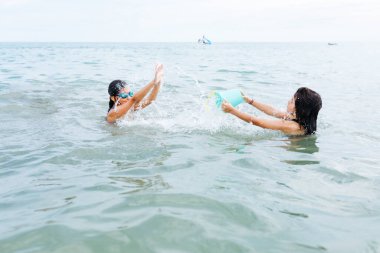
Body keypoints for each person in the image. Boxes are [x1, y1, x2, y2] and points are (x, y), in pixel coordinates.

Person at [222, 87, 322, 135]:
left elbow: (258, 122)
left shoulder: (291, 126)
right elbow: (272, 111)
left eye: (291, 101)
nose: (288, 101)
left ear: (300, 109)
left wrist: (232, 110)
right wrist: (250, 101)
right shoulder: (298, 118)